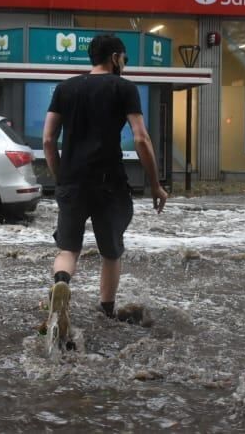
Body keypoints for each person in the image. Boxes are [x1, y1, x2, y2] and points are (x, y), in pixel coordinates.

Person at [41, 33, 168, 347]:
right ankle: (106, 311)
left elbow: (47, 140)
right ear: (115, 57)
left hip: (72, 181)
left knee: (68, 249)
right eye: (124, 58)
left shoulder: (65, 88)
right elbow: (141, 138)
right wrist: (155, 184)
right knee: (111, 251)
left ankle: (62, 283)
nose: (124, 63)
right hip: (109, 183)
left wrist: (62, 177)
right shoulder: (124, 88)